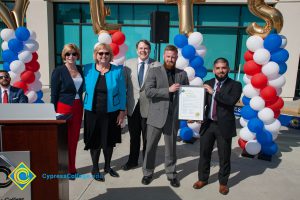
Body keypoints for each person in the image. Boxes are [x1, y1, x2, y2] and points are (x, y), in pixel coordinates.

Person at [193, 58, 242, 195]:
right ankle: (202, 179)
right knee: (204, 154)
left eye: (224, 68)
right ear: (214, 70)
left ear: (228, 69)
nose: (221, 70)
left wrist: (213, 92)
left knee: (224, 156)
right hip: (208, 125)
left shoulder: (236, 85)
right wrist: (195, 116)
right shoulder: (207, 83)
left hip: (224, 126)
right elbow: (201, 103)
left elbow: (230, 101)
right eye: (218, 68)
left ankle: (223, 183)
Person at [141, 45, 189, 187]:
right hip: (156, 116)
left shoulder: (182, 74)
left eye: (173, 57)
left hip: (173, 117)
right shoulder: (154, 71)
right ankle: (148, 173)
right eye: (168, 56)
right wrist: (167, 90)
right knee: (150, 147)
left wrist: (190, 113)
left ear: (176, 57)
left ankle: (172, 174)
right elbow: (148, 92)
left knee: (171, 148)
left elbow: (187, 96)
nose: (170, 59)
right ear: (164, 56)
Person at [83, 43, 126, 182]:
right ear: (96, 55)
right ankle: (95, 168)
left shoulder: (117, 71)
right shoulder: (88, 69)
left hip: (111, 113)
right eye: (100, 53)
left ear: (110, 55)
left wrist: (122, 112)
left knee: (109, 142)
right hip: (92, 112)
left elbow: (122, 93)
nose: (103, 56)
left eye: (106, 53)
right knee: (94, 142)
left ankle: (107, 167)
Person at [122, 40, 161, 171]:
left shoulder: (157, 65)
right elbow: (124, 86)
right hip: (133, 106)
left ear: (149, 50)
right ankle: (132, 161)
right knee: (134, 137)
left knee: (147, 137)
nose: (143, 50)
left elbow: (160, 87)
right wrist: (123, 106)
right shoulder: (128, 64)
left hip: (150, 107)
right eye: (141, 48)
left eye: (146, 48)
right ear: (136, 49)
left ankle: (147, 163)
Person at [50, 43, 84, 180]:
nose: (71, 56)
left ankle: (72, 168)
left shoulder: (81, 69)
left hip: (78, 107)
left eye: (74, 53)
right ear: (64, 55)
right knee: (62, 140)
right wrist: (52, 112)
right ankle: (60, 167)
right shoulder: (58, 71)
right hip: (63, 107)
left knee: (74, 139)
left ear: (77, 55)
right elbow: (54, 94)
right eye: (68, 53)